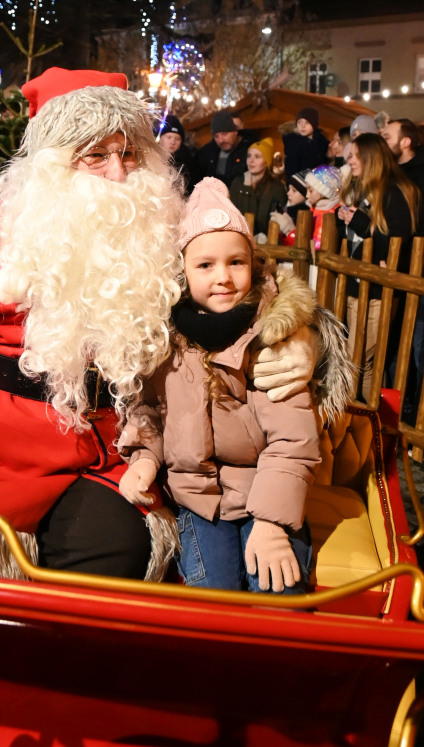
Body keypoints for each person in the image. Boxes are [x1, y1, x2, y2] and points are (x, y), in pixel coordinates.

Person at [0, 68, 348, 582]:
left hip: (117, 455)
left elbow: (249, 286)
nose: (119, 174)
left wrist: (297, 334)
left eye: (130, 153)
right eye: (95, 156)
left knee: (112, 560)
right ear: (51, 165)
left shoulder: (163, 234)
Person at [118, 178, 323, 593]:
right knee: (213, 589)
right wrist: (144, 457)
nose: (224, 277)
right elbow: (151, 409)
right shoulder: (167, 340)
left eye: (236, 262)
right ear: (182, 271)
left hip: (264, 489)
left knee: (277, 589)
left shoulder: (269, 337)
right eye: (205, 265)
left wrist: (271, 524)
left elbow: (292, 438)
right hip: (198, 500)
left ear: (253, 264)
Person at [339, 133, 418, 401]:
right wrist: (344, 219)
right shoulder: (360, 189)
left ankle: (362, 417)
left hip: (376, 290)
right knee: (362, 363)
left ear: (371, 158)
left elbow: (397, 241)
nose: (350, 160)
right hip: (357, 284)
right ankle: (371, 418)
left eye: (356, 155)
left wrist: (359, 222)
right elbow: (357, 238)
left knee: (358, 359)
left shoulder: (393, 193)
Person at [381, 119, 424, 279]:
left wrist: (404, 261)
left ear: (405, 142)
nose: (381, 143)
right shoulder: (389, 172)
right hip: (389, 259)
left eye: (387, 138)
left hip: (416, 268)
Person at [229, 138, 286, 241]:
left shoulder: (277, 188)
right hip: (240, 240)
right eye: (249, 156)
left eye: (257, 157)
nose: (251, 161)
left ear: (266, 162)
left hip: (268, 243)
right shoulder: (238, 183)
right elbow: (230, 215)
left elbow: (277, 221)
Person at [193, 111, 251, 188]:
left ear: (235, 132)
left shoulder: (251, 150)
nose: (221, 140)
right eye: (216, 136)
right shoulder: (206, 153)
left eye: (224, 134)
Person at [282, 107, 329, 181]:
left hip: (320, 181)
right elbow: (290, 169)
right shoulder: (293, 143)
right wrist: (292, 185)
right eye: (300, 122)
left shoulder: (321, 140)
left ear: (314, 124)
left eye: (307, 122)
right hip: (301, 183)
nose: (302, 126)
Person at [304, 165, 343, 249]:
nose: (307, 195)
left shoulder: (338, 211)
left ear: (323, 191)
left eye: (310, 190)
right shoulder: (310, 210)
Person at [156, 113, 194, 196]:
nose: (173, 142)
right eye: (169, 137)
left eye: (177, 139)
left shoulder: (188, 164)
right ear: (160, 138)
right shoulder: (150, 159)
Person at [269, 173, 310, 244]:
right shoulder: (287, 211)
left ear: (306, 194)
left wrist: (289, 230)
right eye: (289, 189)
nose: (288, 193)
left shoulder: (309, 216)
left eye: (294, 190)